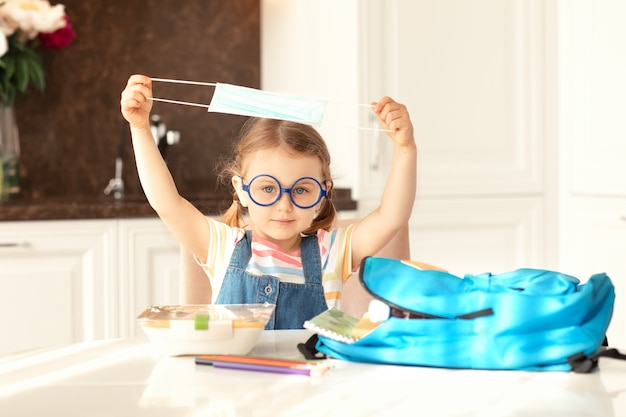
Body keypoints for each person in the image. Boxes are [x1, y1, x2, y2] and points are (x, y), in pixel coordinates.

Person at [120, 74, 417, 329]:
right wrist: (140, 129)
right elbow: (167, 203)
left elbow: (392, 216)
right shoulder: (222, 246)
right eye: (267, 189)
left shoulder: (333, 252)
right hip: (234, 389)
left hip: (311, 389)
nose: (284, 206)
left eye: (301, 190)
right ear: (241, 190)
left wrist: (405, 149)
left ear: (323, 192)